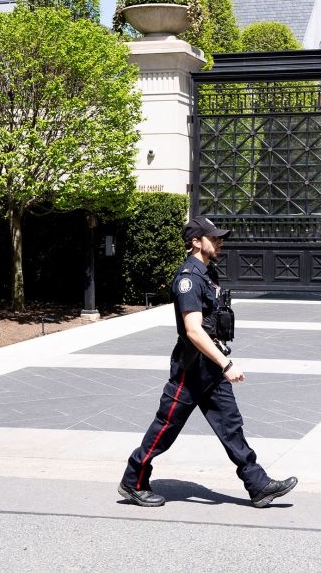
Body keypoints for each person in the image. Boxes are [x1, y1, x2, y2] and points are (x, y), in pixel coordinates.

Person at [119, 216, 297, 508]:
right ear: (195, 241)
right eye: (213, 238)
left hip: (210, 365)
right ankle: (133, 480)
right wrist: (226, 365)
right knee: (166, 427)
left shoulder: (207, 273)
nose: (220, 242)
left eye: (219, 237)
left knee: (231, 424)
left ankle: (258, 485)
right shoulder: (188, 278)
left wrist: (220, 361)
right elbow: (192, 330)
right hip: (192, 369)